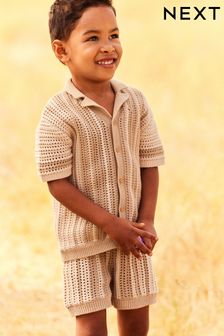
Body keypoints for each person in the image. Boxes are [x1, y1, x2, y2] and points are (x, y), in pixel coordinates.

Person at [35, 0, 165, 335]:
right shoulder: (58, 113)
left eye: (114, 35)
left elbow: (149, 164)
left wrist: (145, 221)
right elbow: (57, 182)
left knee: (137, 322)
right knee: (92, 327)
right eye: (92, 38)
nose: (108, 47)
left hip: (132, 238)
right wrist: (110, 224)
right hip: (84, 242)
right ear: (62, 51)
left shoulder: (135, 102)